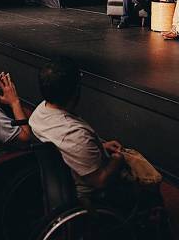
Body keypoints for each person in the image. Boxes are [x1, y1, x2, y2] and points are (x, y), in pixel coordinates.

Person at [29, 57, 125, 199]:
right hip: (89, 198)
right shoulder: (75, 134)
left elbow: (67, 149)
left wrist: (101, 146)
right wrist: (117, 159)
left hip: (54, 187)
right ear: (75, 91)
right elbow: (99, 180)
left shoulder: (39, 111)